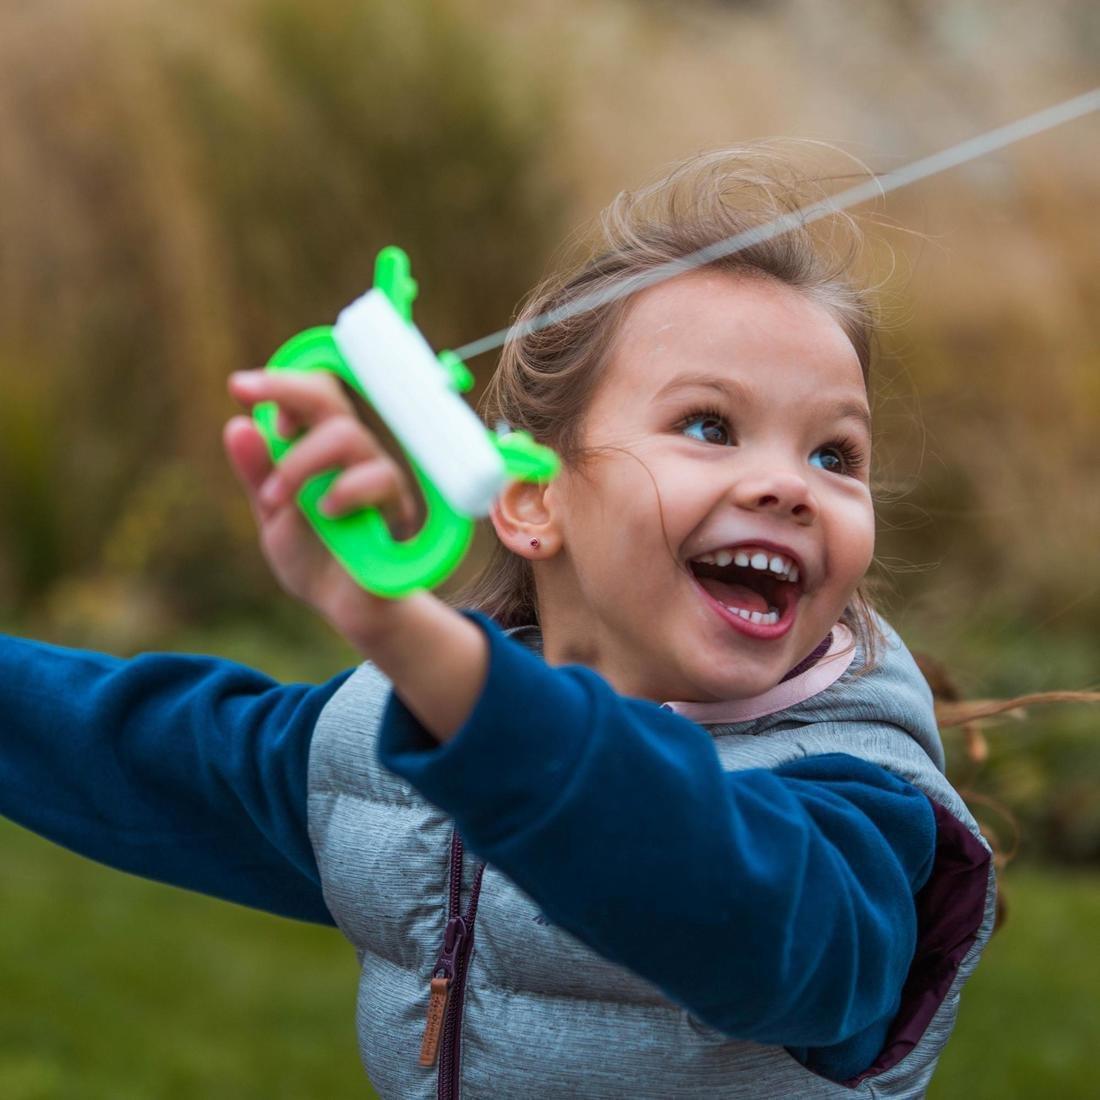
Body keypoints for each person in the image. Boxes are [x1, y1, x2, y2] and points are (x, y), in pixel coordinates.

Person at [1, 147, 997, 1098]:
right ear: (529, 498)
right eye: (709, 425)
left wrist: (411, 640)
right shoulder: (386, 737)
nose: (787, 484)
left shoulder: (860, 809)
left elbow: (735, 907)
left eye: (834, 454)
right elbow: (133, 748)